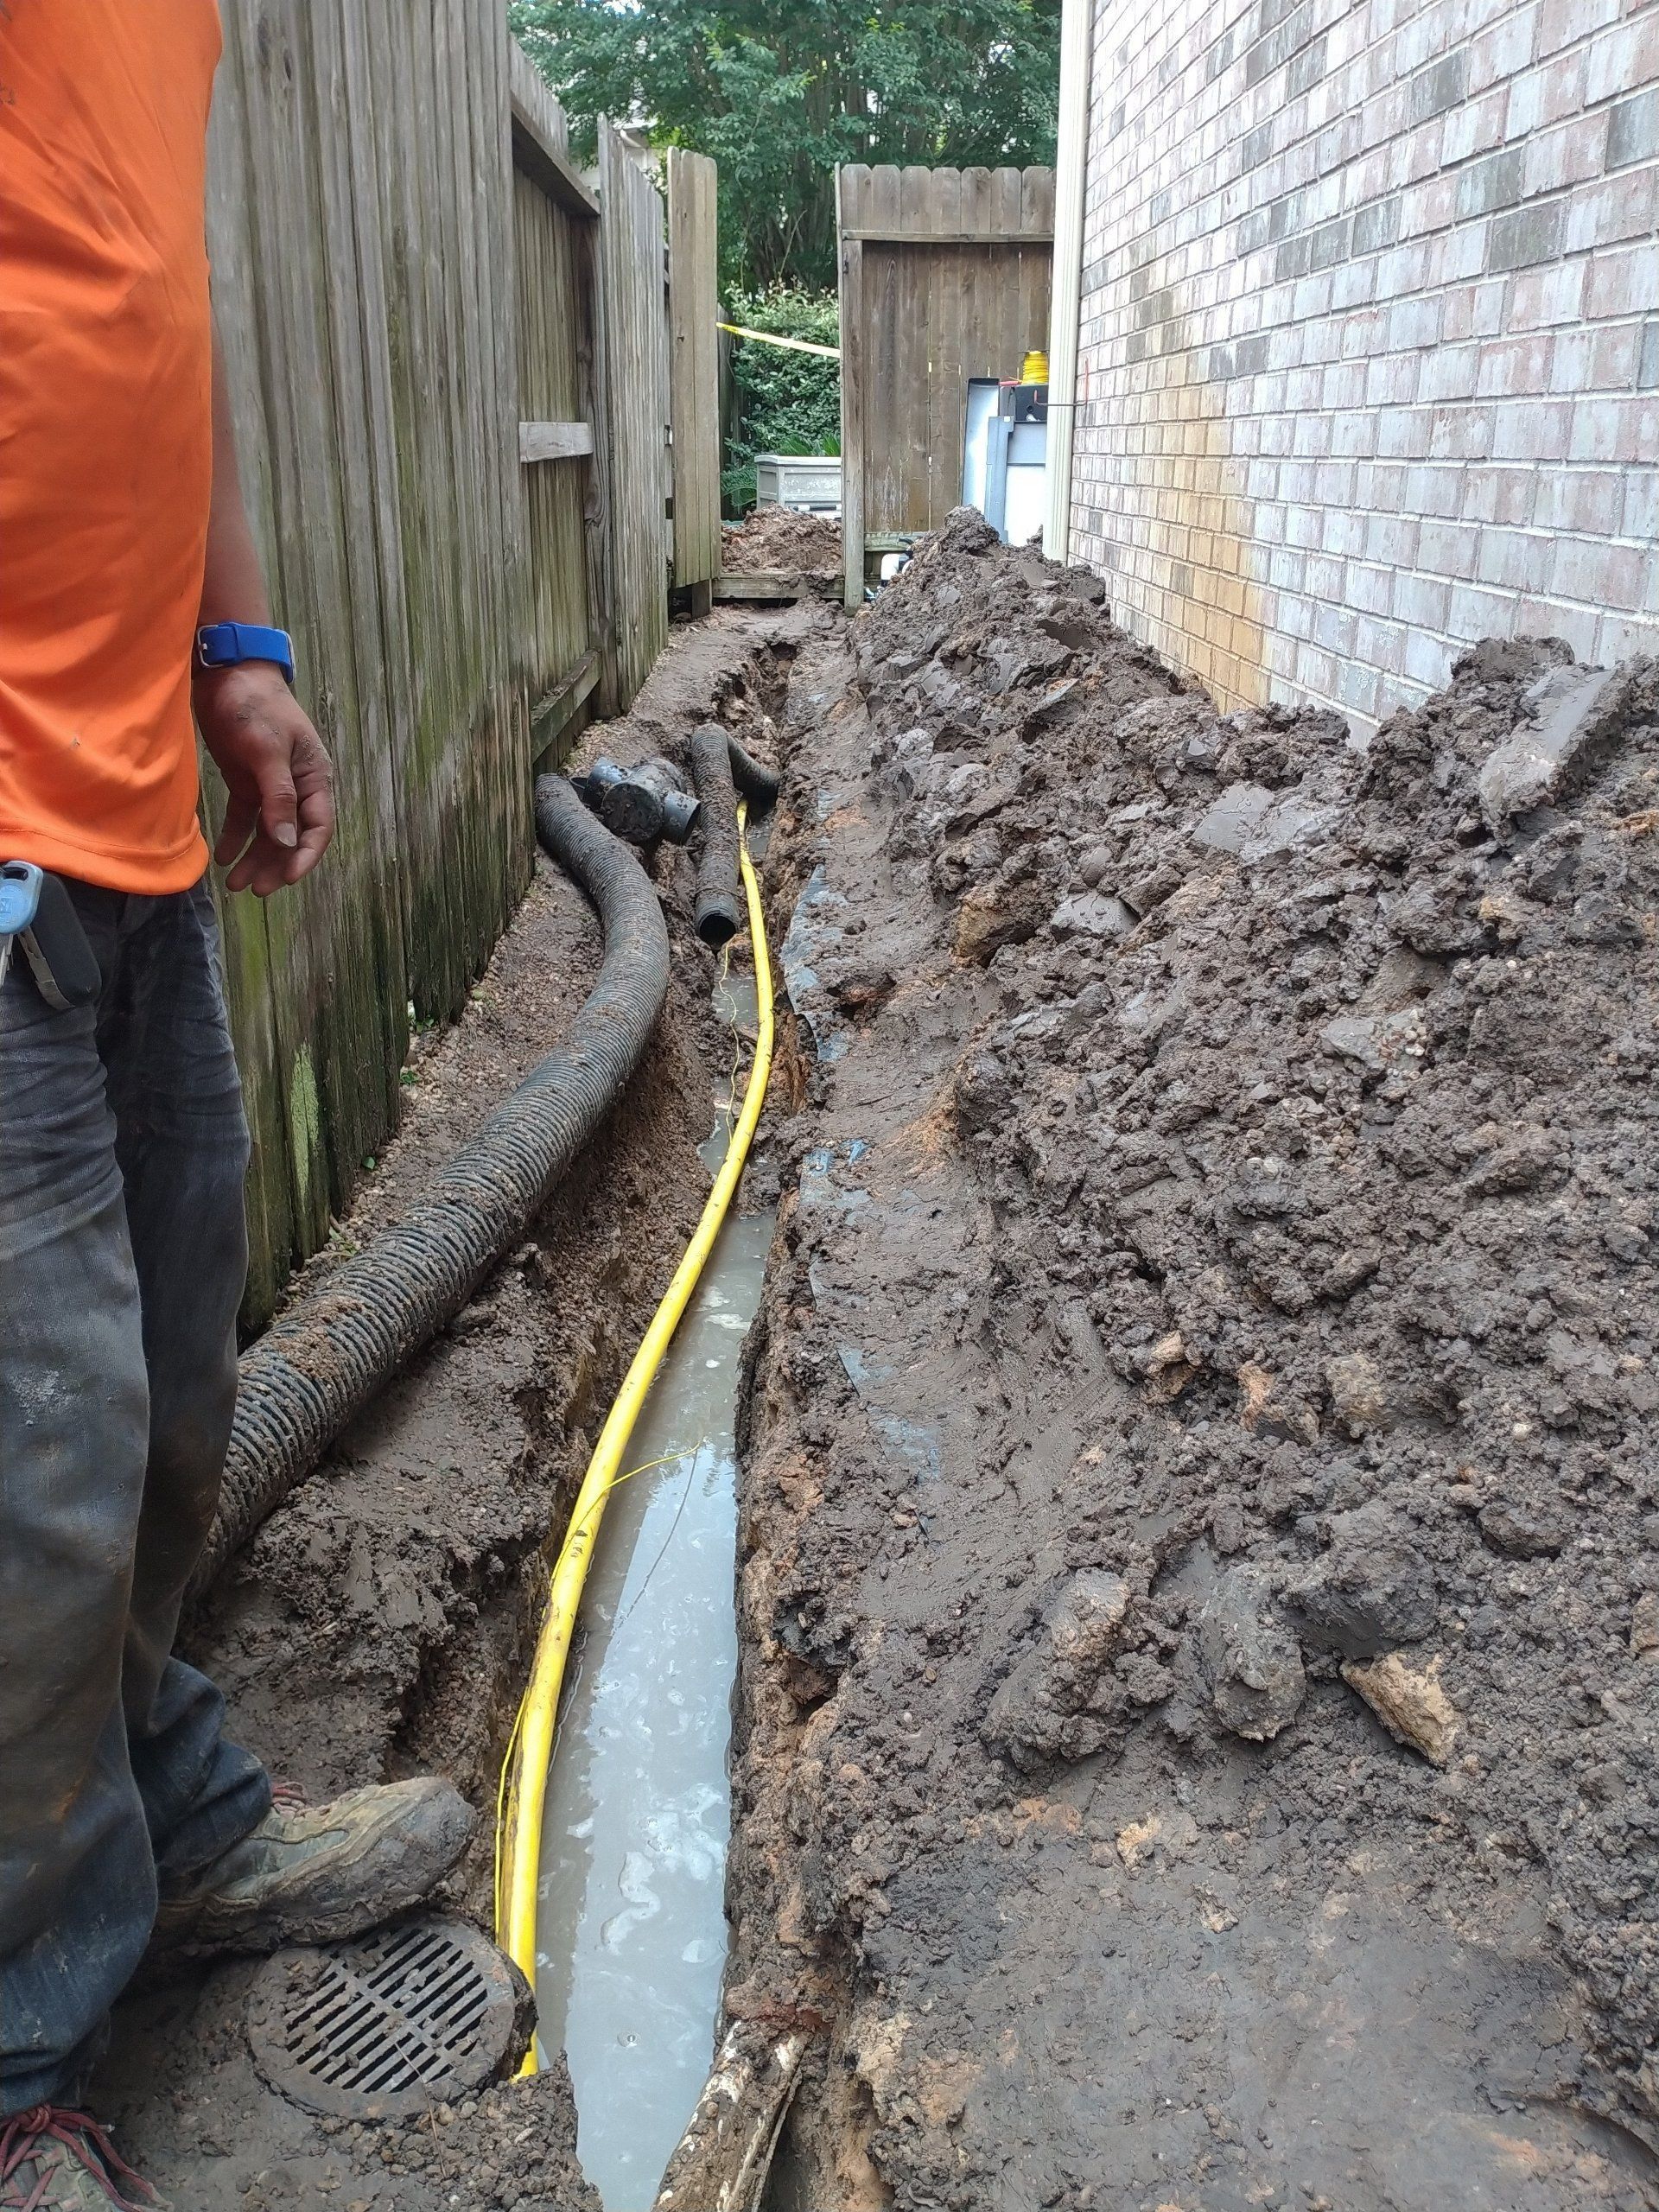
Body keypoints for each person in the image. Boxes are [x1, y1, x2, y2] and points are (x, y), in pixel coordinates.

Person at [0, 10, 473, 2206]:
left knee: (170, 1399)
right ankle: (25, 2055)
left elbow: (145, 305)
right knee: (34, 1480)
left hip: (122, 819)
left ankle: (171, 1827)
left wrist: (239, 639)